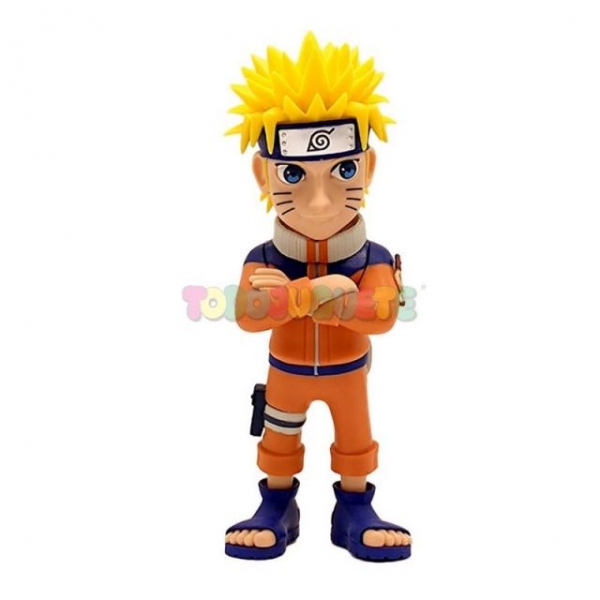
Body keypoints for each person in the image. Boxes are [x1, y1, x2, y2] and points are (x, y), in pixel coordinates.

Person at [223, 32, 411, 561]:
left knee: (355, 441)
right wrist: (312, 294)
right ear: (263, 175)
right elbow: (247, 313)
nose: (320, 200)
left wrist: (317, 299)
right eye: (293, 175)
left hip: (348, 375)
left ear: (367, 168)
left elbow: (383, 313)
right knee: (278, 441)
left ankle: (355, 508)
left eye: (343, 171)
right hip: (285, 374)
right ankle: (276, 504)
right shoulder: (263, 255)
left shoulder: (373, 257)